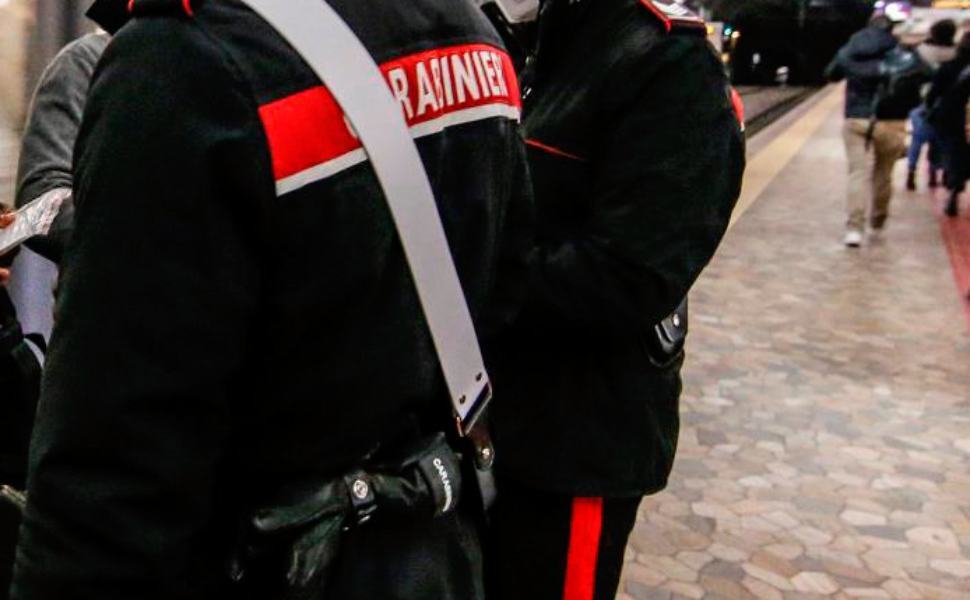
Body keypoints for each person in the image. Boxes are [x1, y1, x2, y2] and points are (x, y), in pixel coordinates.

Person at [10, 1, 532, 600]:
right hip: (421, 552)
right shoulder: (471, 31)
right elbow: (503, 290)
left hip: (257, 562)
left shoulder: (186, 65)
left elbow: (110, 481)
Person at [485, 1, 744, 599]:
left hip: (576, 443)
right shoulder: (533, 44)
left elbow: (629, 275)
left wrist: (465, 282)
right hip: (500, 424)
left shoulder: (666, 64)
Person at [826, 13, 911, 248]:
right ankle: (878, 220)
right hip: (891, 120)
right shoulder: (899, 52)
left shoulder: (851, 49)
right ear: (890, 29)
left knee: (857, 173)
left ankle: (854, 229)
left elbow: (831, 74)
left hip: (856, 118)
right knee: (884, 173)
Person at [907, 19, 956, 191]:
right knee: (937, 139)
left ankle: (911, 172)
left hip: (920, 101)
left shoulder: (921, 51)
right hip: (946, 104)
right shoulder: (956, 53)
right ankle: (934, 174)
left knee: (917, 139)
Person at [927, 32, 970, 217]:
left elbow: (933, 94)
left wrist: (930, 109)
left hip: (953, 118)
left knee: (956, 155)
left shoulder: (949, 67)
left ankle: (953, 191)